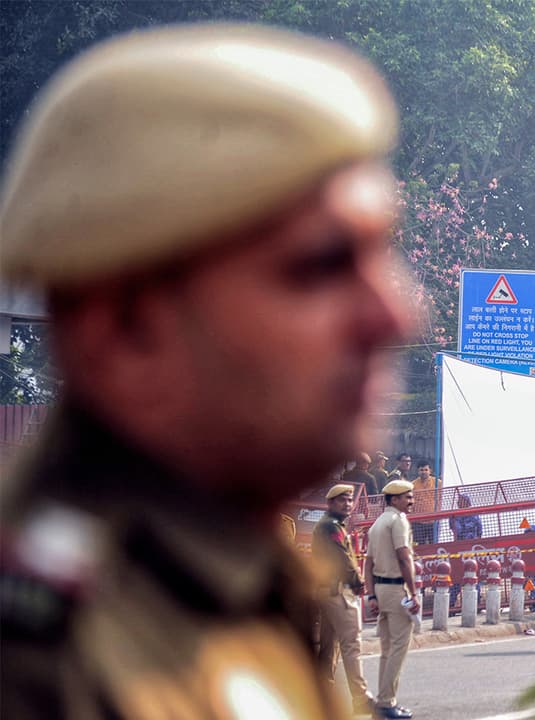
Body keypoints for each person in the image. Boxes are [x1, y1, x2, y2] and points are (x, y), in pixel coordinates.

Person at [0, 23, 405, 720]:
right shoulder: (44, 664)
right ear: (124, 330)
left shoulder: (229, 590)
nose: (394, 315)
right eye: (318, 268)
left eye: (381, 257)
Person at [313, 484, 377, 713]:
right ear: (330, 503)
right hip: (338, 591)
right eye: (342, 500)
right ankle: (360, 698)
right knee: (352, 644)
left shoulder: (328, 525)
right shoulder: (331, 527)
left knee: (329, 649)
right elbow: (343, 558)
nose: (347, 504)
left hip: (325, 591)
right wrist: (359, 581)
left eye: (349, 500)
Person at [365, 480, 420, 719]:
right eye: (407, 497)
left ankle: (383, 701)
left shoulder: (377, 523)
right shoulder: (398, 521)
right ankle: (387, 703)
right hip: (397, 590)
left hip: (380, 589)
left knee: (386, 649)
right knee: (399, 647)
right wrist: (414, 591)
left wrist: (371, 594)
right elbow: (404, 558)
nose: (411, 501)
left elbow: (367, 563)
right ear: (394, 499)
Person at [411, 463, 439, 545]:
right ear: (418, 471)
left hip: (433, 521)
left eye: (426, 470)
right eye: (421, 470)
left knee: (434, 545)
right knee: (419, 546)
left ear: (430, 471)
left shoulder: (437, 482)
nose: (424, 472)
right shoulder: (412, 485)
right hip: (418, 522)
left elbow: (441, 498)